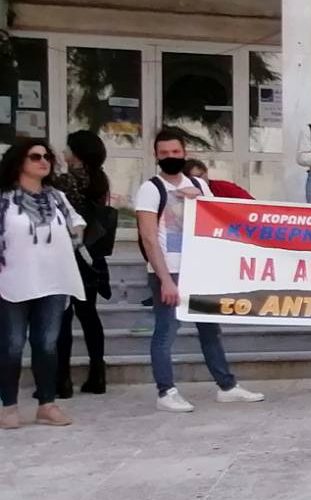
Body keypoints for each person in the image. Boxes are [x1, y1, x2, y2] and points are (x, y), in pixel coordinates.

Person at [135, 130, 266, 412]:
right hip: (169, 270)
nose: (170, 157)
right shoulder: (150, 189)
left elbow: (215, 222)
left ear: (184, 153)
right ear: (156, 155)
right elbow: (148, 237)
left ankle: (227, 386)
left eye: (175, 152)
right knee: (166, 331)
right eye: (164, 153)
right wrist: (165, 279)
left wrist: (199, 200)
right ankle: (166, 391)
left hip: (198, 268)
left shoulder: (198, 185)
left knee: (210, 329)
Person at [0, 139, 82, 428]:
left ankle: (47, 405)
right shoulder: (5, 200)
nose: (43, 161)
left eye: (47, 156)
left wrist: (74, 236)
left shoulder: (57, 198)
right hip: (12, 281)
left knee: (46, 344)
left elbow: (77, 223)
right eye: (35, 156)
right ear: (19, 161)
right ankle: (8, 407)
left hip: (53, 281)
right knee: (11, 345)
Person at [53, 130, 114, 396]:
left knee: (63, 316)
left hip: (67, 254)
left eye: (67, 148)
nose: (63, 152)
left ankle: (62, 380)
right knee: (89, 314)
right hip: (91, 257)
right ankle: (97, 374)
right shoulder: (100, 180)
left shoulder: (65, 181)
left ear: (76, 154)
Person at [183, 159, 254, 199]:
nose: (197, 181)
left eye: (199, 176)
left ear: (206, 171)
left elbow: (251, 203)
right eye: (192, 179)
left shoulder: (225, 187)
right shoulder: (183, 195)